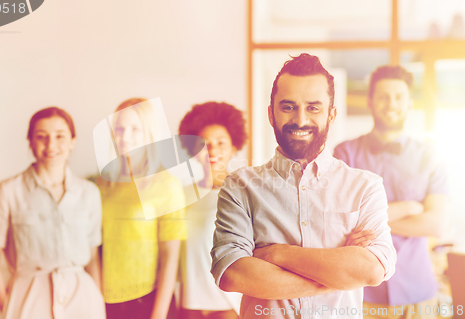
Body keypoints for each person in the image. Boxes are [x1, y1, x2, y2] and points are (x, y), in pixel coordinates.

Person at [210, 53, 397, 319]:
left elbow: (371, 271)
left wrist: (278, 254)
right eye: (288, 107)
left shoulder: (365, 187)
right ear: (271, 114)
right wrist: (338, 272)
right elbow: (233, 274)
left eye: (313, 107)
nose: (300, 120)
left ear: (331, 115)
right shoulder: (240, 187)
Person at [334, 65, 448, 319]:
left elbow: (435, 224)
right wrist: (408, 208)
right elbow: (342, 221)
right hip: (361, 293)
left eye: (399, 96)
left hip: (419, 294)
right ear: (370, 102)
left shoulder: (430, 156)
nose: (391, 103)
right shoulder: (344, 154)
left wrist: (370, 221)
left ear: (409, 103)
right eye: (383, 96)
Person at [0, 107, 105, 319]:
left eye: (60, 136)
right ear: (30, 142)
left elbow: (92, 257)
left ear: (72, 141)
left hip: (82, 301)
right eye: (41, 137)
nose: (51, 145)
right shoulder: (9, 191)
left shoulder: (89, 193)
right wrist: (8, 307)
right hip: (28, 300)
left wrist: (97, 303)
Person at [96, 98, 187, 319]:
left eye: (135, 129)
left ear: (149, 133)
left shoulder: (167, 185)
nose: (124, 136)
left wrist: (157, 316)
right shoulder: (101, 184)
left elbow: (170, 258)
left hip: (149, 302)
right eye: (119, 128)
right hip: (104, 302)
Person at [178, 102, 247, 319]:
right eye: (204, 144)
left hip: (227, 304)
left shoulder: (244, 195)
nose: (213, 150)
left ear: (234, 147)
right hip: (187, 303)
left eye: (220, 143)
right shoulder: (181, 196)